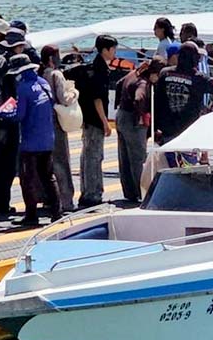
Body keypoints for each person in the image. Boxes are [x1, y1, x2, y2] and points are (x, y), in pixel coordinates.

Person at [0, 63, 61, 226]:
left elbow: (19, 116)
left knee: (27, 178)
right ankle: (57, 212)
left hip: (30, 141)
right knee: (48, 176)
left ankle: (31, 215)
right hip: (47, 138)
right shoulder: (43, 84)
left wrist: (1, 114)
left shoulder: (23, 88)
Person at [154, 42, 213, 148]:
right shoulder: (199, 78)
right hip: (189, 130)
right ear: (195, 58)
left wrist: (154, 127)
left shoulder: (164, 73)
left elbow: (157, 100)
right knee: (187, 158)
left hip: (167, 128)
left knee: (167, 157)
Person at [69, 35, 114, 207]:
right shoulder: (100, 70)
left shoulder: (90, 67)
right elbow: (98, 99)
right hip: (95, 120)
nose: (114, 52)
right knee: (94, 157)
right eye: (113, 49)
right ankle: (92, 194)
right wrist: (105, 122)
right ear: (105, 50)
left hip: (87, 117)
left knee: (87, 156)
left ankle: (88, 191)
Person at [116, 58, 160, 203]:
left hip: (121, 115)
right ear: (154, 73)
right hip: (133, 120)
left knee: (124, 158)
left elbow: (118, 84)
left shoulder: (134, 74)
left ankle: (130, 192)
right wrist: (140, 114)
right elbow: (139, 98)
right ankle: (142, 192)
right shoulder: (143, 83)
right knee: (138, 158)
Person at [41, 44, 76, 213]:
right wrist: (74, 93)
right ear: (51, 58)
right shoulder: (56, 74)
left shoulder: (40, 74)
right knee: (62, 161)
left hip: (43, 122)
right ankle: (66, 200)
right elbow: (64, 99)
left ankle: (48, 199)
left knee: (47, 163)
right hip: (57, 121)